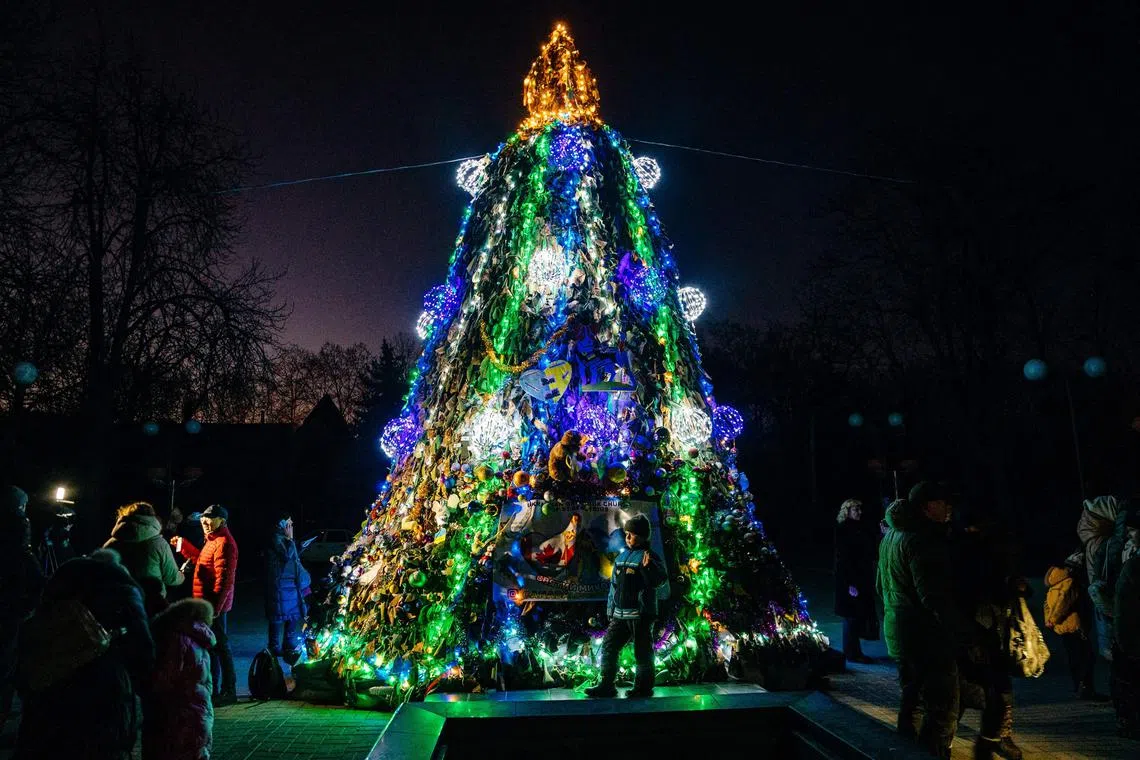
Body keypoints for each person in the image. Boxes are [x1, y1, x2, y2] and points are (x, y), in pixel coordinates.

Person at [15, 548, 154, 760]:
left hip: (47, 701)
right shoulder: (123, 592)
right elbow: (143, 655)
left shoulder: (61, 585)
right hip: (103, 699)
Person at [876, 481, 959, 759]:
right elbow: (933, 596)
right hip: (924, 635)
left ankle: (905, 752)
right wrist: (958, 632)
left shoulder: (891, 536)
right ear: (926, 507)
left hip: (898, 629)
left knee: (911, 698)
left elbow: (879, 586)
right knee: (940, 706)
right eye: (942, 502)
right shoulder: (920, 539)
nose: (948, 507)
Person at [954, 511, 1025, 760]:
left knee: (996, 686)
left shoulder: (990, 548)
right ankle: (980, 739)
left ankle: (996, 737)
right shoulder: (965, 549)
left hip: (992, 629)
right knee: (972, 686)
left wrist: (1014, 587)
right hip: (977, 629)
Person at [585, 514, 667, 698]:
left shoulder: (649, 557)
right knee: (609, 645)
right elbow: (613, 586)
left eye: (633, 534)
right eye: (627, 533)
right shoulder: (621, 557)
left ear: (643, 536)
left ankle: (643, 687)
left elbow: (659, 581)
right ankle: (606, 685)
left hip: (640, 614)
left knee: (642, 651)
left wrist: (648, 568)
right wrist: (610, 609)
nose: (628, 537)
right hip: (620, 614)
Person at [172, 504, 238, 706]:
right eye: (203, 519)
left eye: (210, 519)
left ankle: (228, 690)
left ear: (222, 521)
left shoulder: (224, 543)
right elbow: (201, 561)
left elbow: (224, 580)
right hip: (207, 606)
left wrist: (215, 609)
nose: (205, 522)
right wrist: (184, 546)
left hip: (213, 608)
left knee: (221, 647)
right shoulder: (212, 540)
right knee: (213, 647)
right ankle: (215, 689)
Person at [143, 597, 216, 760]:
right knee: (197, 749)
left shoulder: (176, 639)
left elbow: (167, 676)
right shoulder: (199, 638)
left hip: (180, 708)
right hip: (200, 705)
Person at [0, 487, 44, 738]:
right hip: (10, 613)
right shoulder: (18, 539)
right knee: (6, 667)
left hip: (10, 609)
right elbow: (36, 583)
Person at [1044, 549, 1104, 700]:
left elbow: (1047, 604)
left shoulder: (1055, 582)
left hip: (1063, 628)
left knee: (1074, 657)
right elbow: (1063, 602)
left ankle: (1078, 687)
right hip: (1074, 626)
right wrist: (1054, 619)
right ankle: (1086, 689)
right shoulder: (1071, 582)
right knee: (1086, 657)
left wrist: (1049, 620)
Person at [104, 502, 185, 599]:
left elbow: (102, 573)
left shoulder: (111, 543)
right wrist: (182, 573)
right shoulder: (159, 544)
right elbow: (172, 578)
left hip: (119, 599)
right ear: (152, 518)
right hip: (151, 599)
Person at [834, 498, 877, 664]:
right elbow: (843, 558)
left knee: (855, 616)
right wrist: (850, 583)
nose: (859, 512)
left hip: (859, 577)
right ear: (847, 512)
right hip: (851, 579)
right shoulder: (844, 530)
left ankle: (854, 651)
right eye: (855, 510)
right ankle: (852, 652)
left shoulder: (858, 528)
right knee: (851, 616)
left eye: (859, 509)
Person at [265, 513, 310, 663]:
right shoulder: (276, 538)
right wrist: (290, 540)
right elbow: (285, 555)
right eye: (288, 523)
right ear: (282, 524)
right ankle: (274, 645)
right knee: (278, 614)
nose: (291, 526)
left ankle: (287, 642)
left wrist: (298, 545)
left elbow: (292, 557)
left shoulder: (283, 538)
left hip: (290, 581)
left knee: (292, 613)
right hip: (280, 583)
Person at [1112, 511, 1140, 739]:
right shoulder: (1131, 561)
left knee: (1127, 680)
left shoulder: (1132, 563)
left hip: (1129, 632)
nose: (1130, 535)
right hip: (1130, 632)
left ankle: (1128, 721)